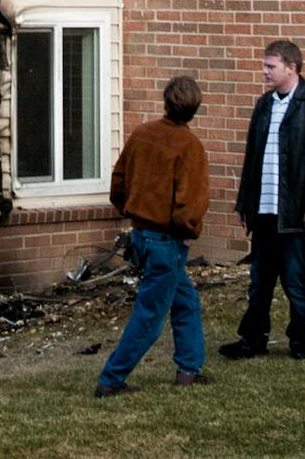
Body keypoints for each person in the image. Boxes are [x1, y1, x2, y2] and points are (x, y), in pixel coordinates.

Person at [219, 38, 305, 361]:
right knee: (259, 279)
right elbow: (253, 158)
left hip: (298, 213)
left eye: (270, 66)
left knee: (295, 279)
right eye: (264, 65)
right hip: (265, 212)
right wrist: (245, 202)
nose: (264, 72)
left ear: (291, 67)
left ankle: (301, 339)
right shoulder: (264, 105)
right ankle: (253, 338)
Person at [93, 74, 212, 397]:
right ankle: (111, 378)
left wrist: (129, 209)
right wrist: (189, 231)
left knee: (185, 300)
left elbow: (119, 180)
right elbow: (191, 202)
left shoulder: (143, 134)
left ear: (165, 101)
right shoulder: (190, 146)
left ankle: (189, 368)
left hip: (141, 234)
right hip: (168, 241)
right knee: (150, 315)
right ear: (194, 110)